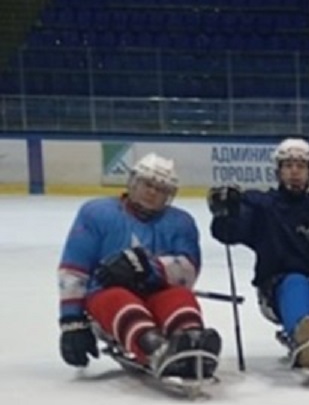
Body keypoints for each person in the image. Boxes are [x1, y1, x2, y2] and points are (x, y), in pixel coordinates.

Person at [56, 153, 222, 380]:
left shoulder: (181, 222)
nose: (152, 192)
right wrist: (72, 321)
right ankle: (154, 348)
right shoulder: (96, 213)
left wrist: (147, 267)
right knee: (118, 299)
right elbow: (75, 268)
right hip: (106, 295)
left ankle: (192, 341)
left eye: (161, 189)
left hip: (157, 293)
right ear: (132, 182)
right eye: (147, 184)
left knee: (180, 297)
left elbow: (188, 270)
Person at [207, 138, 309, 368]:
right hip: (275, 290)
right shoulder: (262, 205)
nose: (294, 171)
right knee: (295, 281)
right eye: (288, 166)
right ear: (278, 171)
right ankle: (301, 336)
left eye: (301, 166)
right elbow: (228, 233)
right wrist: (225, 212)